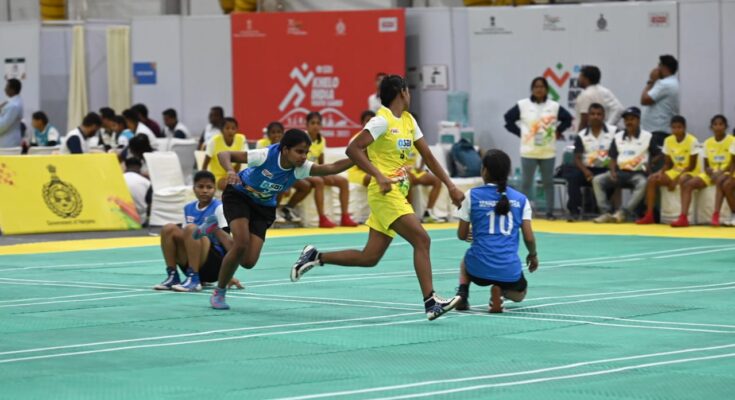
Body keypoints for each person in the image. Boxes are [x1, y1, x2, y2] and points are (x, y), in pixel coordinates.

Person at [290, 75, 465, 321]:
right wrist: (378, 175)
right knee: (422, 240)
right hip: (385, 194)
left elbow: (428, 156)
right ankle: (431, 301)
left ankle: (316, 257)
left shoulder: (408, 120)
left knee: (369, 257)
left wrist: (450, 185)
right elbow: (353, 148)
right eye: (408, 90)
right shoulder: (381, 120)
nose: (410, 94)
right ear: (402, 92)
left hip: (397, 193)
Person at [208, 129, 355, 310]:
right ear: (285, 150)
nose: (303, 156)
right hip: (239, 195)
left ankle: (215, 230)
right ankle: (219, 291)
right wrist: (230, 170)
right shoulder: (265, 155)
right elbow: (224, 154)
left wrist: (359, 157)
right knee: (241, 243)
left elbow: (331, 168)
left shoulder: (300, 169)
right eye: (299, 151)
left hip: (264, 207)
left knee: (248, 261)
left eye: (306, 152)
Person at [454, 149, 538, 313]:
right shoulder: (521, 199)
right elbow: (528, 237)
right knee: (520, 294)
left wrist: (472, 232)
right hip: (509, 270)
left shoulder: (471, 195)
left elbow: (461, 235)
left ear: (484, 170)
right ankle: (501, 292)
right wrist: (533, 255)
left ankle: (462, 294)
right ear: (508, 172)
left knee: (466, 259)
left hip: (478, 269)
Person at [155, 171, 242, 292]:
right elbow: (184, 238)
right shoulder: (188, 208)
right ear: (194, 188)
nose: (205, 190)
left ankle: (194, 280)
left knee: (192, 229)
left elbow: (227, 242)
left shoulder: (219, 208)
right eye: (200, 187)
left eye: (209, 187)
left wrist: (228, 274)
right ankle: (173, 276)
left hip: (214, 266)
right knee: (168, 228)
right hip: (192, 262)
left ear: (214, 189)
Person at [504, 77, 573, 219]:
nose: (539, 89)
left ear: (547, 89)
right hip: (528, 151)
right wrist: (521, 133)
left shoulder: (553, 106)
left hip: (548, 151)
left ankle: (549, 212)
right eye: (536, 86)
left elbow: (568, 119)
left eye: (542, 86)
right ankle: (521, 212)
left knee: (548, 182)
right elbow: (508, 119)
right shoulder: (523, 105)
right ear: (532, 89)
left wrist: (558, 131)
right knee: (526, 183)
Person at [282, 111, 358, 228]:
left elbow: (321, 161)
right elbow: (298, 161)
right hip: (301, 170)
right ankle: (322, 218)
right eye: (312, 123)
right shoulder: (302, 139)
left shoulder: (322, 140)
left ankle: (345, 216)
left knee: (343, 181)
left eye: (318, 123)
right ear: (306, 125)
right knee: (319, 181)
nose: (315, 126)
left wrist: (325, 174)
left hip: (315, 170)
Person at [592, 107, 659, 223]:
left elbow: (660, 154)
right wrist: (612, 171)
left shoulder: (647, 136)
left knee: (643, 183)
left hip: (637, 173)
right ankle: (606, 213)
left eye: (632, 119)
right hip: (619, 173)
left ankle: (623, 213)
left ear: (638, 120)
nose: (629, 122)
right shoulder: (618, 137)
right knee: (597, 180)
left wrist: (651, 163)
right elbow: (612, 158)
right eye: (626, 120)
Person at [672, 115, 733, 227]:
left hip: (727, 172)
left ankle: (716, 215)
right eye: (715, 124)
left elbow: (732, 163)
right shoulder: (707, 143)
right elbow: (706, 166)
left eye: (721, 124)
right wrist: (710, 172)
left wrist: (720, 172)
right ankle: (683, 217)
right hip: (711, 174)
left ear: (726, 126)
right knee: (688, 184)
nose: (718, 127)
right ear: (711, 127)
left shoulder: (732, 140)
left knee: (720, 180)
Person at [637, 116, 699, 225]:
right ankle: (649, 215)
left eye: (679, 127)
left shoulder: (692, 140)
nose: (676, 130)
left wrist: (676, 179)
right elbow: (667, 164)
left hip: (690, 171)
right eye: (674, 127)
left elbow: (692, 166)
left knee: (683, 179)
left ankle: (683, 218)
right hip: (675, 170)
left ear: (684, 128)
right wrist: (660, 172)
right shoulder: (668, 140)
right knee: (652, 179)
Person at [565, 103, 616, 220]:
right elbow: (577, 158)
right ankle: (574, 211)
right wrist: (585, 171)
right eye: (592, 114)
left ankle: (603, 211)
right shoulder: (582, 135)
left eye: (599, 114)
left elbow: (618, 153)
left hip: (606, 169)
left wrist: (613, 169)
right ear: (588, 116)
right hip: (587, 170)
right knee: (573, 178)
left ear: (604, 116)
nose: (596, 116)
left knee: (611, 178)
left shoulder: (613, 132)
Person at [641, 55, 680, 152]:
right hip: (658, 130)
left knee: (656, 164)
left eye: (659, 65)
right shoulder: (672, 82)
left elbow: (644, 100)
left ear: (664, 67)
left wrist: (651, 81)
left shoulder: (664, 84)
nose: (657, 68)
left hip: (657, 131)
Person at [574, 65, 624, 131]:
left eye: (580, 76)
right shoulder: (595, 91)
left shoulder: (599, 92)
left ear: (586, 78)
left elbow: (619, 109)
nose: (578, 79)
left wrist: (607, 127)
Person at [405, 144, 446, 223]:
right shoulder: (398, 141)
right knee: (407, 181)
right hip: (401, 171)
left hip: (413, 171)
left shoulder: (416, 142)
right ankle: (410, 214)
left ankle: (428, 213)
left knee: (437, 181)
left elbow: (426, 155)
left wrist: (420, 167)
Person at [202, 117, 246, 191]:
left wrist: (236, 175)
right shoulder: (214, 141)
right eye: (227, 128)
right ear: (221, 130)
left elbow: (239, 162)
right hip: (218, 176)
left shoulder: (241, 139)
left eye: (233, 128)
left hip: (234, 174)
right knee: (228, 186)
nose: (230, 131)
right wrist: (204, 180)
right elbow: (205, 164)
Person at [123, 157, 152, 226]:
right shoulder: (146, 182)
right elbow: (150, 204)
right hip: (140, 220)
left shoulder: (118, 178)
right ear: (140, 167)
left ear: (126, 166)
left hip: (120, 217)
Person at [0, 78, 23, 148]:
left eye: (7, 87)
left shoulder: (14, 105)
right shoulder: (11, 103)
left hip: (9, 143)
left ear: (12, 90)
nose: (5, 89)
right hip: (6, 141)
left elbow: (2, 126)